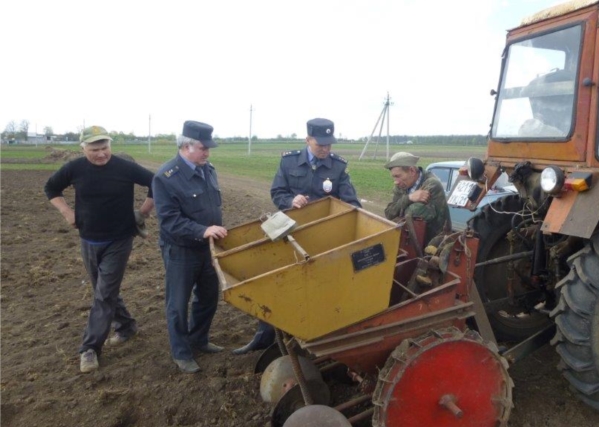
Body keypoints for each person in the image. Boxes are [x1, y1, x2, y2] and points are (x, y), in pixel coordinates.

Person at [233, 117, 361, 355]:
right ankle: (266, 334)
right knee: (277, 280)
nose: (325, 149)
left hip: (323, 237)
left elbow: (352, 202)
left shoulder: (338, 167)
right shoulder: (289, 161)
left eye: (329, 144)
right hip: (291, 232)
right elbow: (277, 192)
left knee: (318, 285)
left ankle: (315, 331)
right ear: (307, 140)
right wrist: (290, 201)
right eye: (320, 144)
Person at [44, 125, 155, 373]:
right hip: (89, 240)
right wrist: (66, 212)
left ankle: (90, 348)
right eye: (95, 149)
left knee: (104, 294)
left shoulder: (124, 167)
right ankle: (126, 326)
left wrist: (144, 212)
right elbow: (51, 188)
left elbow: (156, 183)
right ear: (83, 148)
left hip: (119, 240)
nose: (101, 153)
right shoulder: (74, 168)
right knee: (103, 291)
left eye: (105, 148)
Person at [152, 120, 228, 373]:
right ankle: (181, 352)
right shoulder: (166, 177)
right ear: (185, 146)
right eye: (203, 148)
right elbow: (169, 220)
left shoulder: (208, 169)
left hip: (209, 248)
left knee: (208, 298)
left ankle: (199, 339)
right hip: (180, 250)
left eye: (209, 148)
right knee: (178, 303)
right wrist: (202, 230)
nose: (207, 152)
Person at [384, 152, 450, 247]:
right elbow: (389, 213)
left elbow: (412, 214)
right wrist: (409, 198)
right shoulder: (401, 186)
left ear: (412, 171)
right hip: (412, 241)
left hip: (435, 245)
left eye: (398, 176)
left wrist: (400, 208)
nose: (396, 182)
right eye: (394, 177)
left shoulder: (432, 184)